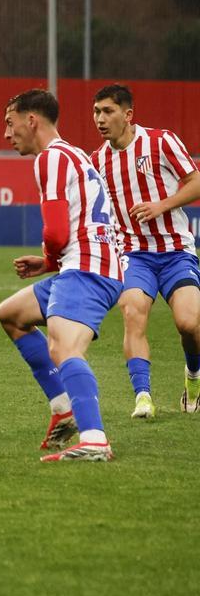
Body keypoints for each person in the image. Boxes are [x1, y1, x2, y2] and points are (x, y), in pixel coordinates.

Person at [0, 89, 123, 462]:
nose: (7, 133)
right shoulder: (75, 154)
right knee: (12, 314)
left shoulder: (50, 159)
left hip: (87, 268)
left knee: (64, 346)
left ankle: (95, 439)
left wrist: (52, 254)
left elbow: (54, 232)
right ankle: (63, 406)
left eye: (9, 122)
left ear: (31, 120)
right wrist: (50, 263)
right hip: (90, 263)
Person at [89, 83, 200, 418]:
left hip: (176, 250)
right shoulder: (98, 161)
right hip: (134, 254)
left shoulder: (160, 141)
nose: (100, 119)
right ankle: (143, 397)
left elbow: (195, 181)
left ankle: (193, 377)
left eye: (108, 111)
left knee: (189, 324)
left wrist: (161, 205)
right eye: (96, 112)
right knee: (133, 312)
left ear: (128, 114)